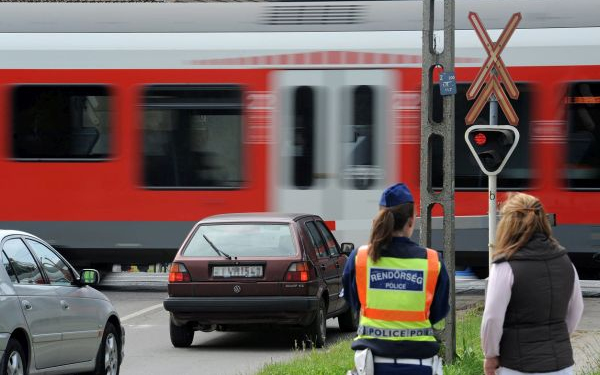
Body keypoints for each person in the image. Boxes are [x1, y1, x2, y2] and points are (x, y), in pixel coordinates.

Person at [342, 182, 450, 375]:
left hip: (372, 366)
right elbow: (438, 312)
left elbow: (354, 302)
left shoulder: (360, 258)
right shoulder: (432, 261)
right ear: (412, 220)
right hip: (421, 366)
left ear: (380, 217)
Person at [481, 192, 584, 375]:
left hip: (517, 366)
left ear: (507, 224)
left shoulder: (505, 266)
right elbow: (576, 309)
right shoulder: (566, 262)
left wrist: (490, 355)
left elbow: (492, 318)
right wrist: (556, 339)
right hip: (562, 366)